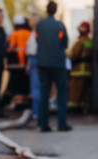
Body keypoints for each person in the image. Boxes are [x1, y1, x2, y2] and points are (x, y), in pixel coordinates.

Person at [36, 1, 72, 132]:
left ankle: (43, 124)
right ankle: (62, 124)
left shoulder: (40, 25)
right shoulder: (60, 25)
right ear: (56, 11)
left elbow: (38, 40)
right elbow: (65, 43)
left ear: (46, 10)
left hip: (43, 63)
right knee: (62, 93)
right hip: (57, 63)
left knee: (44, 93)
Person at [5, 15, 31, 109]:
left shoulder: (14, 34)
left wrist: (6, 49)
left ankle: (19, 104)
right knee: (25, 84)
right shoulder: (29, 33)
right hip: (27, 64)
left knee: (16, 85)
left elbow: (11, 48)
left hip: (16, 65)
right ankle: (26, 104)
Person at [68, 21, 93, 112]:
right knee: (83, 92)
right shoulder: (90, 42)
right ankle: (82, 107)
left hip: (78, 70)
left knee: (75, 90)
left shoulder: (80, 42)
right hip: (88, 70)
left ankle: (73, 109)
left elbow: (74, 55)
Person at [26, 13, 42, 118]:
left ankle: (37, 112)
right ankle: (36, 111)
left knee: (36, 87)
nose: (28, 22)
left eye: (30, 20)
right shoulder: (33, 32)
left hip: (36, 59)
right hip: (32, 60)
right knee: (35, 87)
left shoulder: (38, 33)